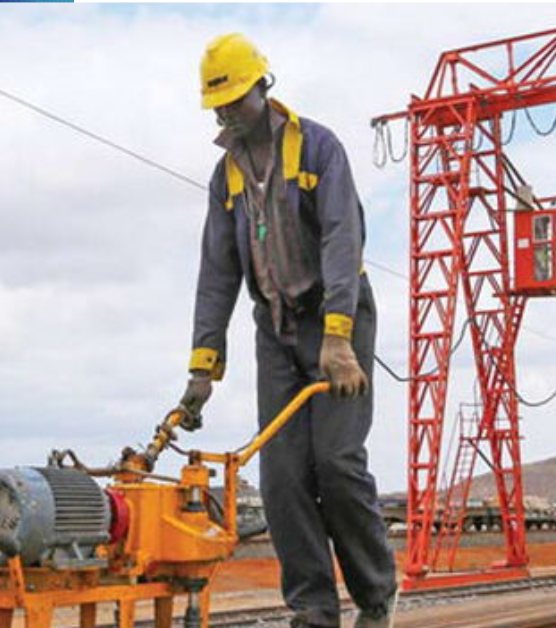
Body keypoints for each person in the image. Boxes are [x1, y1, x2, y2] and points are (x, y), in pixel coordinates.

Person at [179, 33, 397, 628]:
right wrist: (203, 367)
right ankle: (314, 612)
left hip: (337, 320)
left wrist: (338, 338)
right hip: (275, 330)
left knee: (337, 463)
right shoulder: (225, 177)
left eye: (234, 99)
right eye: (218, 105)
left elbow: (343, 241)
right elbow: (217, 273)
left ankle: (376, 598)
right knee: (280, 478)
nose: (226, 113)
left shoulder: (318, 148)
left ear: (263, 87)